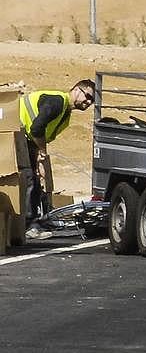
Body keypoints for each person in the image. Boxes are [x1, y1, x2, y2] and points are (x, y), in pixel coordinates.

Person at [19, 79, 95, 238]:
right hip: (15, 132)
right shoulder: (58, 102)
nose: (88, 102)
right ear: (75, 90)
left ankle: (34, 220)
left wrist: (39, 159)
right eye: (87, 96)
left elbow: (37, 134)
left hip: (24, 137)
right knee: (29, 178)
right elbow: (36, 128)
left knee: (35, 178)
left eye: (92, 100)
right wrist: (42, 153)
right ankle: (28, 226)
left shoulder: (65, 114)